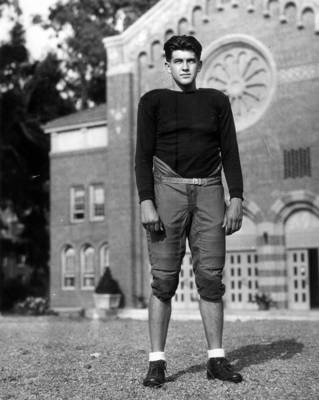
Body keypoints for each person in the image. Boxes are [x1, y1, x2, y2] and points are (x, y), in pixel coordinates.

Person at [135, 35, 244, 387]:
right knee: (164, 280)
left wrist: (237, 197)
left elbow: (230, 150)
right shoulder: (153, 101)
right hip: (167, 189)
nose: (184, 66)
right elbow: (142, 155)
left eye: (191, 61)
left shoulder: (216, 100)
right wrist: (146, 200)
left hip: (210, 188)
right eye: (178, 61)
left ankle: (216, 360)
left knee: (211, 278)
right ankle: (156, 362)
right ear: (167, 64)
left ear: (199, 63)